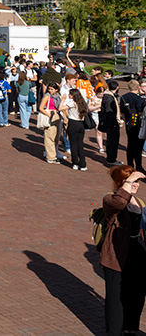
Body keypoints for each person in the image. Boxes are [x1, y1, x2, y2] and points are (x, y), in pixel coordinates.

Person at [99, 165, 146, 336]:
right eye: (133, 182)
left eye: (137, 182)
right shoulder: (110, 199)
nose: (136, 185)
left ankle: (130, 329)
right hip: (116, 255)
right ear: (121, 182)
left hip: (137, 253)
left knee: (137, 294)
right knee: (116, 298)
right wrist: (129, 181)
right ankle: (114, 332)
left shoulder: (139, 203)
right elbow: (119, 203)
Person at [63, 88, 91, 171]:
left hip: (73, 123)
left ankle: (75, 163)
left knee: (73, 145)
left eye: (70, 94)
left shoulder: (72, 103)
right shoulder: (82, 103)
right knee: (80, 145)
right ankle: (83, 164)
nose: (69, 95)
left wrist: (63, 99)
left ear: (73, 95)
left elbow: (61, 108)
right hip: (81, 124)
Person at [39, 82, 64, 164]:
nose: (50, 91)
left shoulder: (59, 97)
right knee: (49, 136)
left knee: (56, 136)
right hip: (50, 115)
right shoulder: (47, 96)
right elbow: (41, 108)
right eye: (49, 89)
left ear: (56, 89)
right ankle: (50, 157)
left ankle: (54, 153)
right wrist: (49, 115)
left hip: (58, 116)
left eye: (52, 89)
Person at [101, 80, 124, 166]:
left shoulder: (108, 95)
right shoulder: (109, 97)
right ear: (117, 88)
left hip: (110, 122)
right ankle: (111, 158)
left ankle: (111, 157)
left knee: (112, 140)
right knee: (113, 141)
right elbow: (109, 111)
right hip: (111, 123)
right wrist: (115, 122)